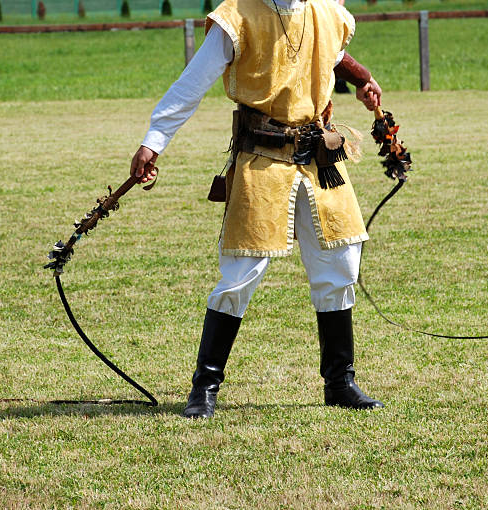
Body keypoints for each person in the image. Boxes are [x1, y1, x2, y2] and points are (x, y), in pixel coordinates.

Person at [130, 0, 384, 419]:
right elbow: (191, 83)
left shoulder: (325, 11)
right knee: (239, 275)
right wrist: (154, 140)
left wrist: (362, 78)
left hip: (318, 156)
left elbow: (331, 52)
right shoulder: (239, 15)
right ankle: (205, 388)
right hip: (262, 159)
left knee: (339, 262)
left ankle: (340, 383)